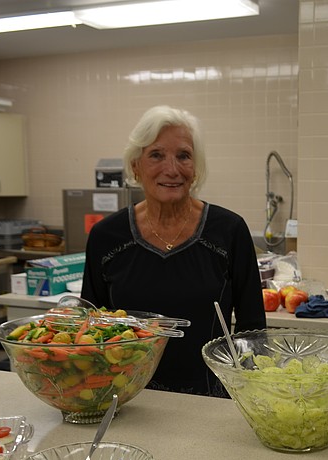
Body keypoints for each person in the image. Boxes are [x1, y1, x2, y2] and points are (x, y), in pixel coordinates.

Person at [81, 105, 265, 397]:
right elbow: (89, 326)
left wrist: (252, 395)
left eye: (183, 156)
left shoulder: (229, 231)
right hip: (128, 399)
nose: (172, 169)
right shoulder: (107, 236)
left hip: (211, 399)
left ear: (196, 167)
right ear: (135, 166)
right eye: (156, 155)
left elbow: (252, 330)